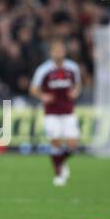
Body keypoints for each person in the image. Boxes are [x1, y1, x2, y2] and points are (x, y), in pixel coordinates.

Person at [30, 39, 81, 186]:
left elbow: (77, 84)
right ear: (51, 52)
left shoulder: (72, 68)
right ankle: (58, 174)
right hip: (51, 112)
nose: (58, 52)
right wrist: (43, 96)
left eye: (61, 49)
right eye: (55, 50)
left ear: (64, 51)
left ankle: (60, 163)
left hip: (68, 110)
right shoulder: (43, 70)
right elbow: (33, 88)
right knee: (55, 142)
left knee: (73, 144)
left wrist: (76, 92)